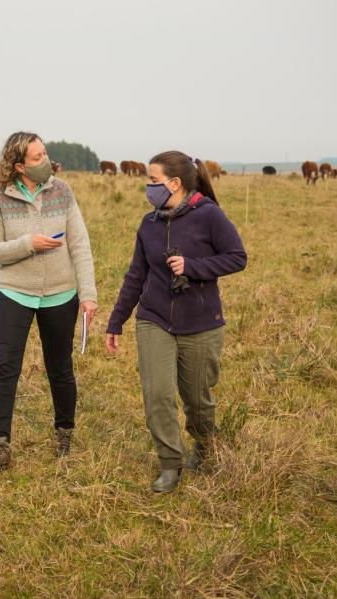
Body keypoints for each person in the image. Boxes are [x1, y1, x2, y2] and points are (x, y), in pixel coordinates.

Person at [105, 151, 246, 492]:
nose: (148, 187)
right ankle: (170, 463)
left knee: (197, 399)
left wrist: (193, 267)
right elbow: (136, 276)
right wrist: (116, 321)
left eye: (153, 181)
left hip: (202, 323)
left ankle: (206, 445)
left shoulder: (209, 216)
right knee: (158, 395)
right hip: (154, 319)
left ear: (175, 183)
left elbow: (237, 257)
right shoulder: (149, 224)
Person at [0, 131, 98, 471]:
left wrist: (88, 295)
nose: (45, 160)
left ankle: (64, 435)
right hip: (14, 293)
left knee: (59, 368)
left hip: (61, 295)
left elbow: (80, 245)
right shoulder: (1, 199)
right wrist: (27, 243)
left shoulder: (62, 191)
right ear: (18, 166)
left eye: (44, 153)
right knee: (5, 369)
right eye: (36, 157)